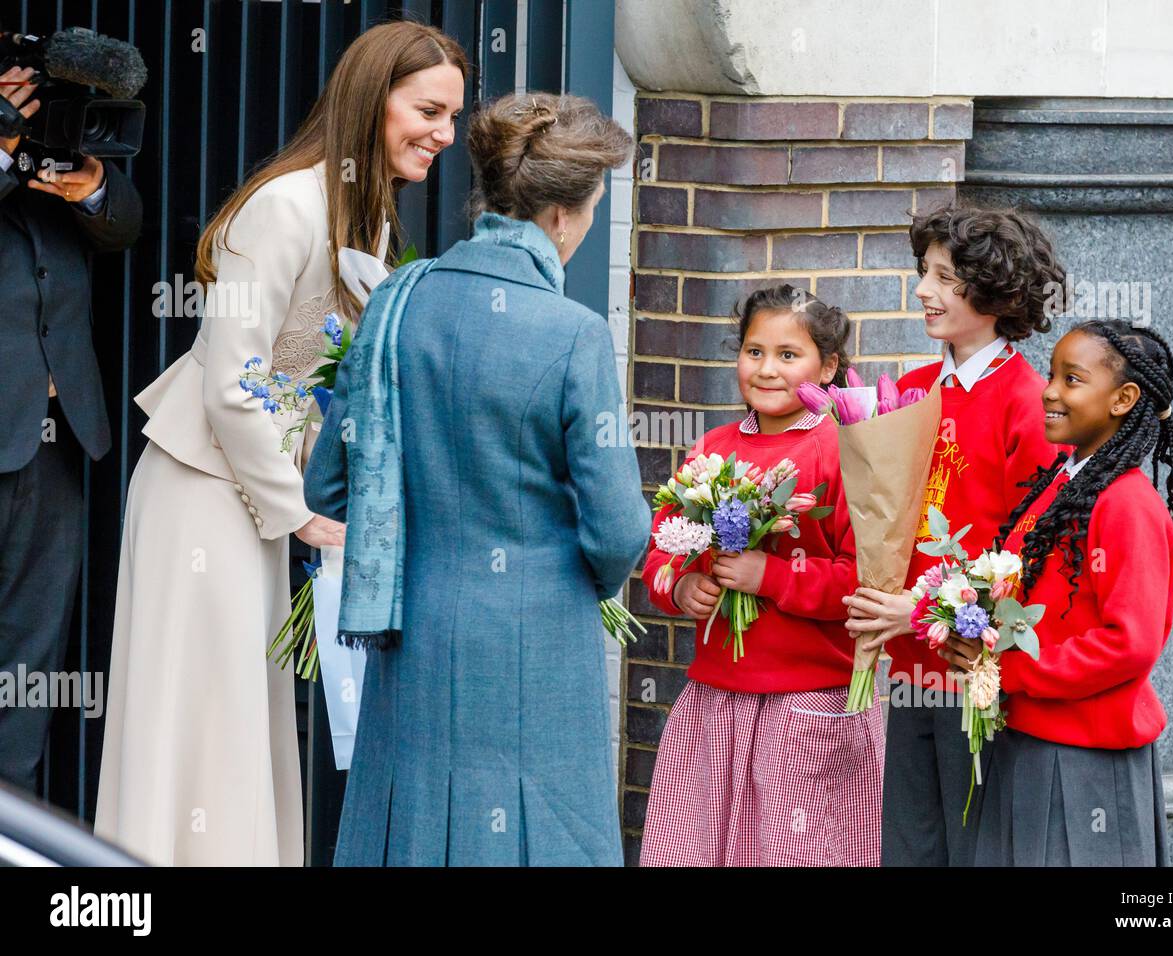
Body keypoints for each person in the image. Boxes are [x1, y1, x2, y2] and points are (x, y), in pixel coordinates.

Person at [94, 21, 468, 866]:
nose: (445, 133)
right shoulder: (284, 205)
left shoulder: (365, 214)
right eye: (429, 110)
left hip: (259, 493)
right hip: (202, 489)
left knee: (242, 708)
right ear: (374, 101)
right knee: (200, 707)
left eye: (452, 115)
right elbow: (233, 378)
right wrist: (297, 511)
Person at [303, 91, 647, 866]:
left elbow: (329, 488)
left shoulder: (398, 301)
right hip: (538, 644)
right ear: (561, 215)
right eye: (592, 209)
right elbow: (621, 531)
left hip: (410, 633)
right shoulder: (573, 335)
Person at [843, 204, 1065, 866]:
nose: (922, 290)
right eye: (923, 273)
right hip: (908, 674)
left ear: (994, 291)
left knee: (975, 850)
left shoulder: (1027, 404)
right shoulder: (911, 391)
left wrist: (921, 610)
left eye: (944, 277)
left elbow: (1033, 554)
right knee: (909, 848)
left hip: (977, 679)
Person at [639, 285, 883, 866]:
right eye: (753, 352)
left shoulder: (845, 450)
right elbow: (661, 550)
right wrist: (679, 586)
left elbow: (865, 582)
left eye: (788, 355)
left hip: (808, 702)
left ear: (827, 367)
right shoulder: (712, 448)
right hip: (715, 698)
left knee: (797, 851)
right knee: (698, 847)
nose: (767, 369)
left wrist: (769, 575)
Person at [938, 319, 1173, 866]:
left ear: (1123, 399)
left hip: (1085, 758)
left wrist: (1013, 670)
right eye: (1051, 374)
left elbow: (1129, 644)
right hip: (1027, 738)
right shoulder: (1059, 484)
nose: (1049, 390)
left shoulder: (1128, 505)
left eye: (1071, 379)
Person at [0, 64, 142, 793]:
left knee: (27, 660)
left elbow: (124, 228)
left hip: (56, 435)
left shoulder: (43, 141)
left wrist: (89, 184)